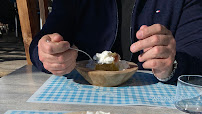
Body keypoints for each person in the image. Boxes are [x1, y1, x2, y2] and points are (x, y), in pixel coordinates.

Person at [29, 0, 202, 84]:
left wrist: (172, 65)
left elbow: (197, 54)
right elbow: (42, 41)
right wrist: (46, 53)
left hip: (156, 109)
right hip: (80, 103)